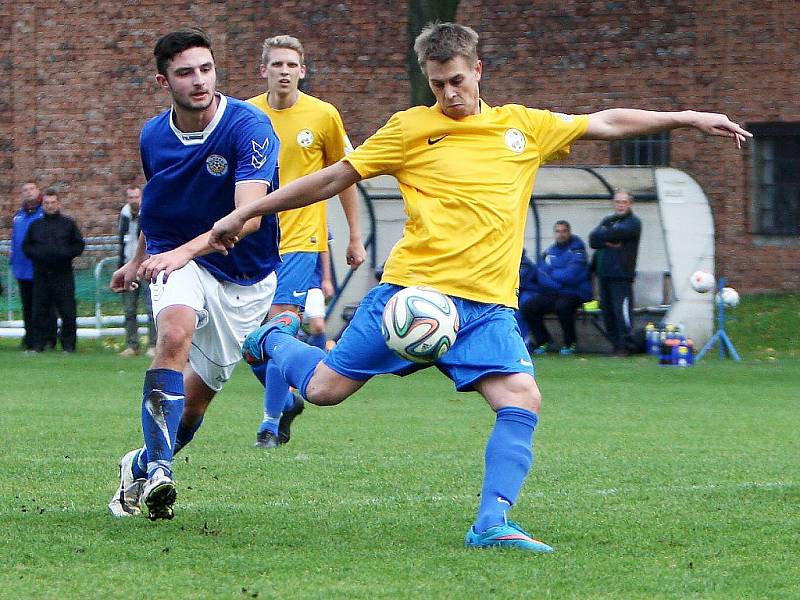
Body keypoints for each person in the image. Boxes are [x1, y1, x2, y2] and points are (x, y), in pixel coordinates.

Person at [202, 23, 747, 552]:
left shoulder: (523, 127)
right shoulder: (410, 128)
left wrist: (690, 117)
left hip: (487, 307)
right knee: (323, 391)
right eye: (437, 84)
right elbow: (332, 177)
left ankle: (492, 523)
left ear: (478, 69)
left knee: (521, 398)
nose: (449, 93)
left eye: (458, 80)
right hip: (409, 296)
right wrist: (250, 210)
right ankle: (271, 338)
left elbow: (604, 122)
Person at [106, 27, 281, 521]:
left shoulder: (250, 127)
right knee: (174, 332)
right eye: (185, 73)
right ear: (164, 83)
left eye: (206, 69)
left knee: (197, 403)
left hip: (244, 275)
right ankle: (161, 470)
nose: (199, 81)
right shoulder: (153, 135)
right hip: (176, 256)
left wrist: (182, 252)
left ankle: (139, 463)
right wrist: (140, 257)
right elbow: (162, 203)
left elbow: (247, 219)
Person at [245, 35, 366, 449]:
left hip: (301, 238)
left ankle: (268, 423)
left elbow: (346, 175)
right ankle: (291, 394)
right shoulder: (244, 115)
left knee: (280, 327)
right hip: (253, 240)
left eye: (291, 65)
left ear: (302, 70)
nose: (284, 71)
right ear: (263, 70)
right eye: (276, 64)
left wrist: (354, 235)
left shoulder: (323, 115)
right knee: (250, 339)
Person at [22, 188, 85, 353]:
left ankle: (68, 346)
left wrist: (64, 255)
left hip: (63, 274)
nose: (50, 206)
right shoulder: (35, 225)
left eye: (53, 203)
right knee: (38, 311)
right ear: (42, 205)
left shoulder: (68, 224)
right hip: (41, 274)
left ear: (58, 204)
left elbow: (78, 245)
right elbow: (26, 247)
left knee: (67, 311)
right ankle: (38, 345)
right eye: (47, 203)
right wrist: (39, 255)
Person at [521, 220, 592, 356]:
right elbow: (541, 274)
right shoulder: (549, 252)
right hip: (555, 291)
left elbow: (571, 274)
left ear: (569, 232)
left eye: (564, 231)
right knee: (529, 306)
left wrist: (553, 272)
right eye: (558, 231)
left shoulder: (577, 250)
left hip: (576, 292)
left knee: (563, 306)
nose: (561, 235)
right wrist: (556, 281)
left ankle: (570, 343)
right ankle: (544, 341)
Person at [589, 190, 642, 356]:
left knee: (621, 311)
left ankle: (626, 346)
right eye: (618, 202)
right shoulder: (608, 220)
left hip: (622, 275)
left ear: (630, 204)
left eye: (624, 202)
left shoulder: (633, 222)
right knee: (608, 312)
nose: (620, 205)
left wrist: (606, 236)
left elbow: (617, 233)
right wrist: (608, 239)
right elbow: (593, 239)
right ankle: (615, 345)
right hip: (604, 274)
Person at [117, 185, 156, 357]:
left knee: (151, 308)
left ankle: (154, 345)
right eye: (130, 197)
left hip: (147, 266)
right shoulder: (123, 216)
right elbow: (121, 242)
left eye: (136, 197)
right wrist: (121, 265)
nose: (133, 201)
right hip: (128, 266)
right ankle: (132, 345)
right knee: (129, 309)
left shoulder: (148, 214)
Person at [9, 181, 47, 351]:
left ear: (37, 190)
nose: (29, 192)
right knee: (27, 305)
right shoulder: (19, 217)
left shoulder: (43, 214)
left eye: (31, 189)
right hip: (22, 269)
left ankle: (45, 337)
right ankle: (29, 337)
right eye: (25, 190)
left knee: (42, 306)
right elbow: (15, 241)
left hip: (40, 269)